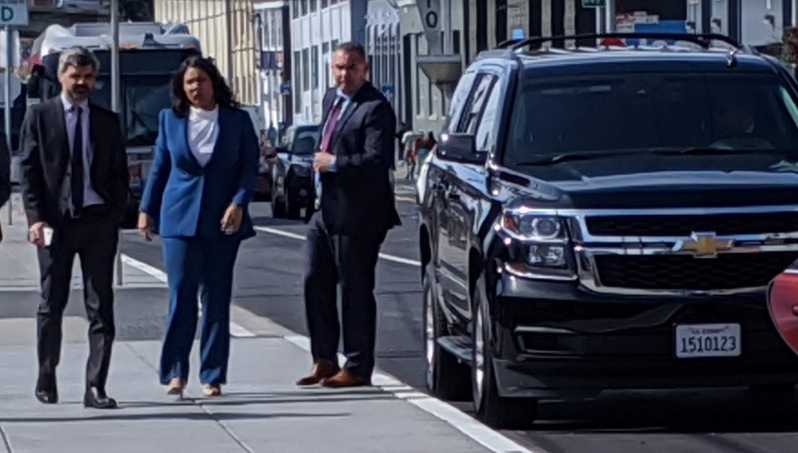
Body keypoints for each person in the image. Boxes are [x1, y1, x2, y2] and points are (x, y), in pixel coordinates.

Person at [137, 56, 259, 398]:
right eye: (189, 82)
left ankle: (213, 375)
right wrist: (146, 208)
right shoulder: (170, 120)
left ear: (213, 83)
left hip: (223, 220)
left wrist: (239, 202)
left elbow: (250, 167)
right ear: (181, 87)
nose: (196, 88)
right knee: (182, 297)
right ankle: (176, 372)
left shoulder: (237, 121)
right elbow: (160, 168)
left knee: (217, 299)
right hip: (179, 218)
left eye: (201, 81)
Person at [19, 46, 129, 409]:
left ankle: (95, 385)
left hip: (97, 222)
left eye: (88, 77)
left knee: (101, 306)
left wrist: (115, 213)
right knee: (52, 303)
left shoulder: (107, 121)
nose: (81, 83)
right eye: (75, 76)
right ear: (61, 77)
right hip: (55, 224)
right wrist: (36, 220)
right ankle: (46, 376)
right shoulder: (40, 116)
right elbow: (30, 172)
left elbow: (118, 172)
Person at [297, 42, 401, 388]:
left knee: (354, 288)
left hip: (358, 214)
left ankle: (357, 366)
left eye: (352, 67)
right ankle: (324, 358)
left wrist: (335, 163)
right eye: (340, 67)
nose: (344, 74)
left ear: (365, 70)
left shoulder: (376, 109)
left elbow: (377, 161)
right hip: (324, 210)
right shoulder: (332, 100)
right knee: (315, 281)